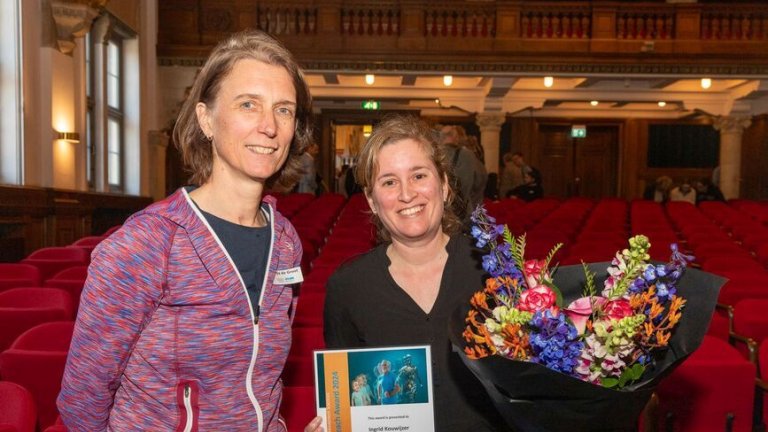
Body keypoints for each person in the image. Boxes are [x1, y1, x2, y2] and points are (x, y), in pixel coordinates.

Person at [57, 30, 325, 432]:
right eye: (248, 104)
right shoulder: (147, 243)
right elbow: (82, 401)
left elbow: (261, 385)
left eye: (284, 110)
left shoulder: (285, 242)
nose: (269, 126)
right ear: (206, 119)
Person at [324, 115, 508, 431]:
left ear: (445, 185)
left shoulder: (495, 271)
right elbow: (350, 401)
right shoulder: (348, 287)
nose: (407, 194)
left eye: (419, 175)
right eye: (389, 182)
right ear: (372, 199)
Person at [439, 124, 487, 220]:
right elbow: (468, 186)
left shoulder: (432, 154)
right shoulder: (466, 155)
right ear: (455, 137)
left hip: (439, 211)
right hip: (461, 213)